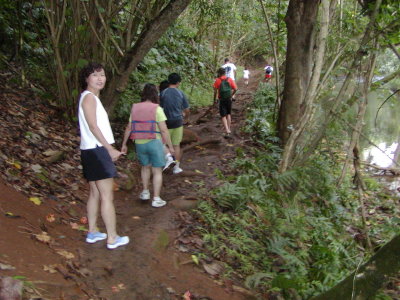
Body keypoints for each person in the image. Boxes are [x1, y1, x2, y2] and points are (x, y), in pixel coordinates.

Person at [78, 62, 129, 250]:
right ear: (86, 79)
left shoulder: (88, 97)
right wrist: (109, 149)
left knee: (95, 192)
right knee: (107, 196)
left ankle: (92, 231)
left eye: (102, 75)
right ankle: (112, 237)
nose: (100, 78)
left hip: (89, 150)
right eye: (94, 75)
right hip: (98, 150)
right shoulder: (90, 98)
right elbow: (93, 126)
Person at [121, 84, 175, 208]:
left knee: (145, 167)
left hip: (139, 143)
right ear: (155, 94)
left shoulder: (135, 108)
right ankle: (156, 198)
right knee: (157, 171)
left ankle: (145, 192)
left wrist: (124, 144)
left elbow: (129, 127)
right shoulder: (157, 109)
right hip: (154, 142)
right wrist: (170, 147)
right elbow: (164, 130)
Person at [160, 73, 190, 174]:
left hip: (165, 122)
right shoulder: (180, 93)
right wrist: (186, 117)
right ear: (178, 82)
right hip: (177, 121)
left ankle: (165, 163)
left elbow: (159, 108)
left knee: (164, 144)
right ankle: (176, 167)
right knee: (176, 145)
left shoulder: (163, 93)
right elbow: (187, 109)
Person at [213, 67, 238, 137]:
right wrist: (231, 95)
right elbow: (236, 89)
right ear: (225, 73)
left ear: (219, 73)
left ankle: (227, 130)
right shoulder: (229, 79)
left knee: (223, 115)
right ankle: (229, 129)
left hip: (222, 99)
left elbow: (215, 91)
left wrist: (214, 100)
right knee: (228, 114)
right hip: (229, 99)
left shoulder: (217, 80)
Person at [159, 79, 176, 171]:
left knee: (162, 141)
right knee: (169, 141)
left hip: (160, 121)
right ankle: (171, 159)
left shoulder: (159, 96)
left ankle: (167, 159)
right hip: (171, 119)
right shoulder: (170, 95)